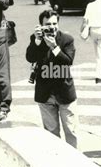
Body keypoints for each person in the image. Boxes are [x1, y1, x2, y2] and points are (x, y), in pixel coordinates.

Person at [25, 9, 78, 148]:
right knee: (51, 134)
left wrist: (54, 47)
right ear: (41, 26)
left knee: (71, 132)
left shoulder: (66, 39)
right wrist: (36, 41)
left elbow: (68, 61)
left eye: (55, 23)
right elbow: (30, 57)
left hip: (64, 92)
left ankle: (75, 161)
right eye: (48, 24)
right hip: (45, 93)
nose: (52, 27)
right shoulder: (37, 38)